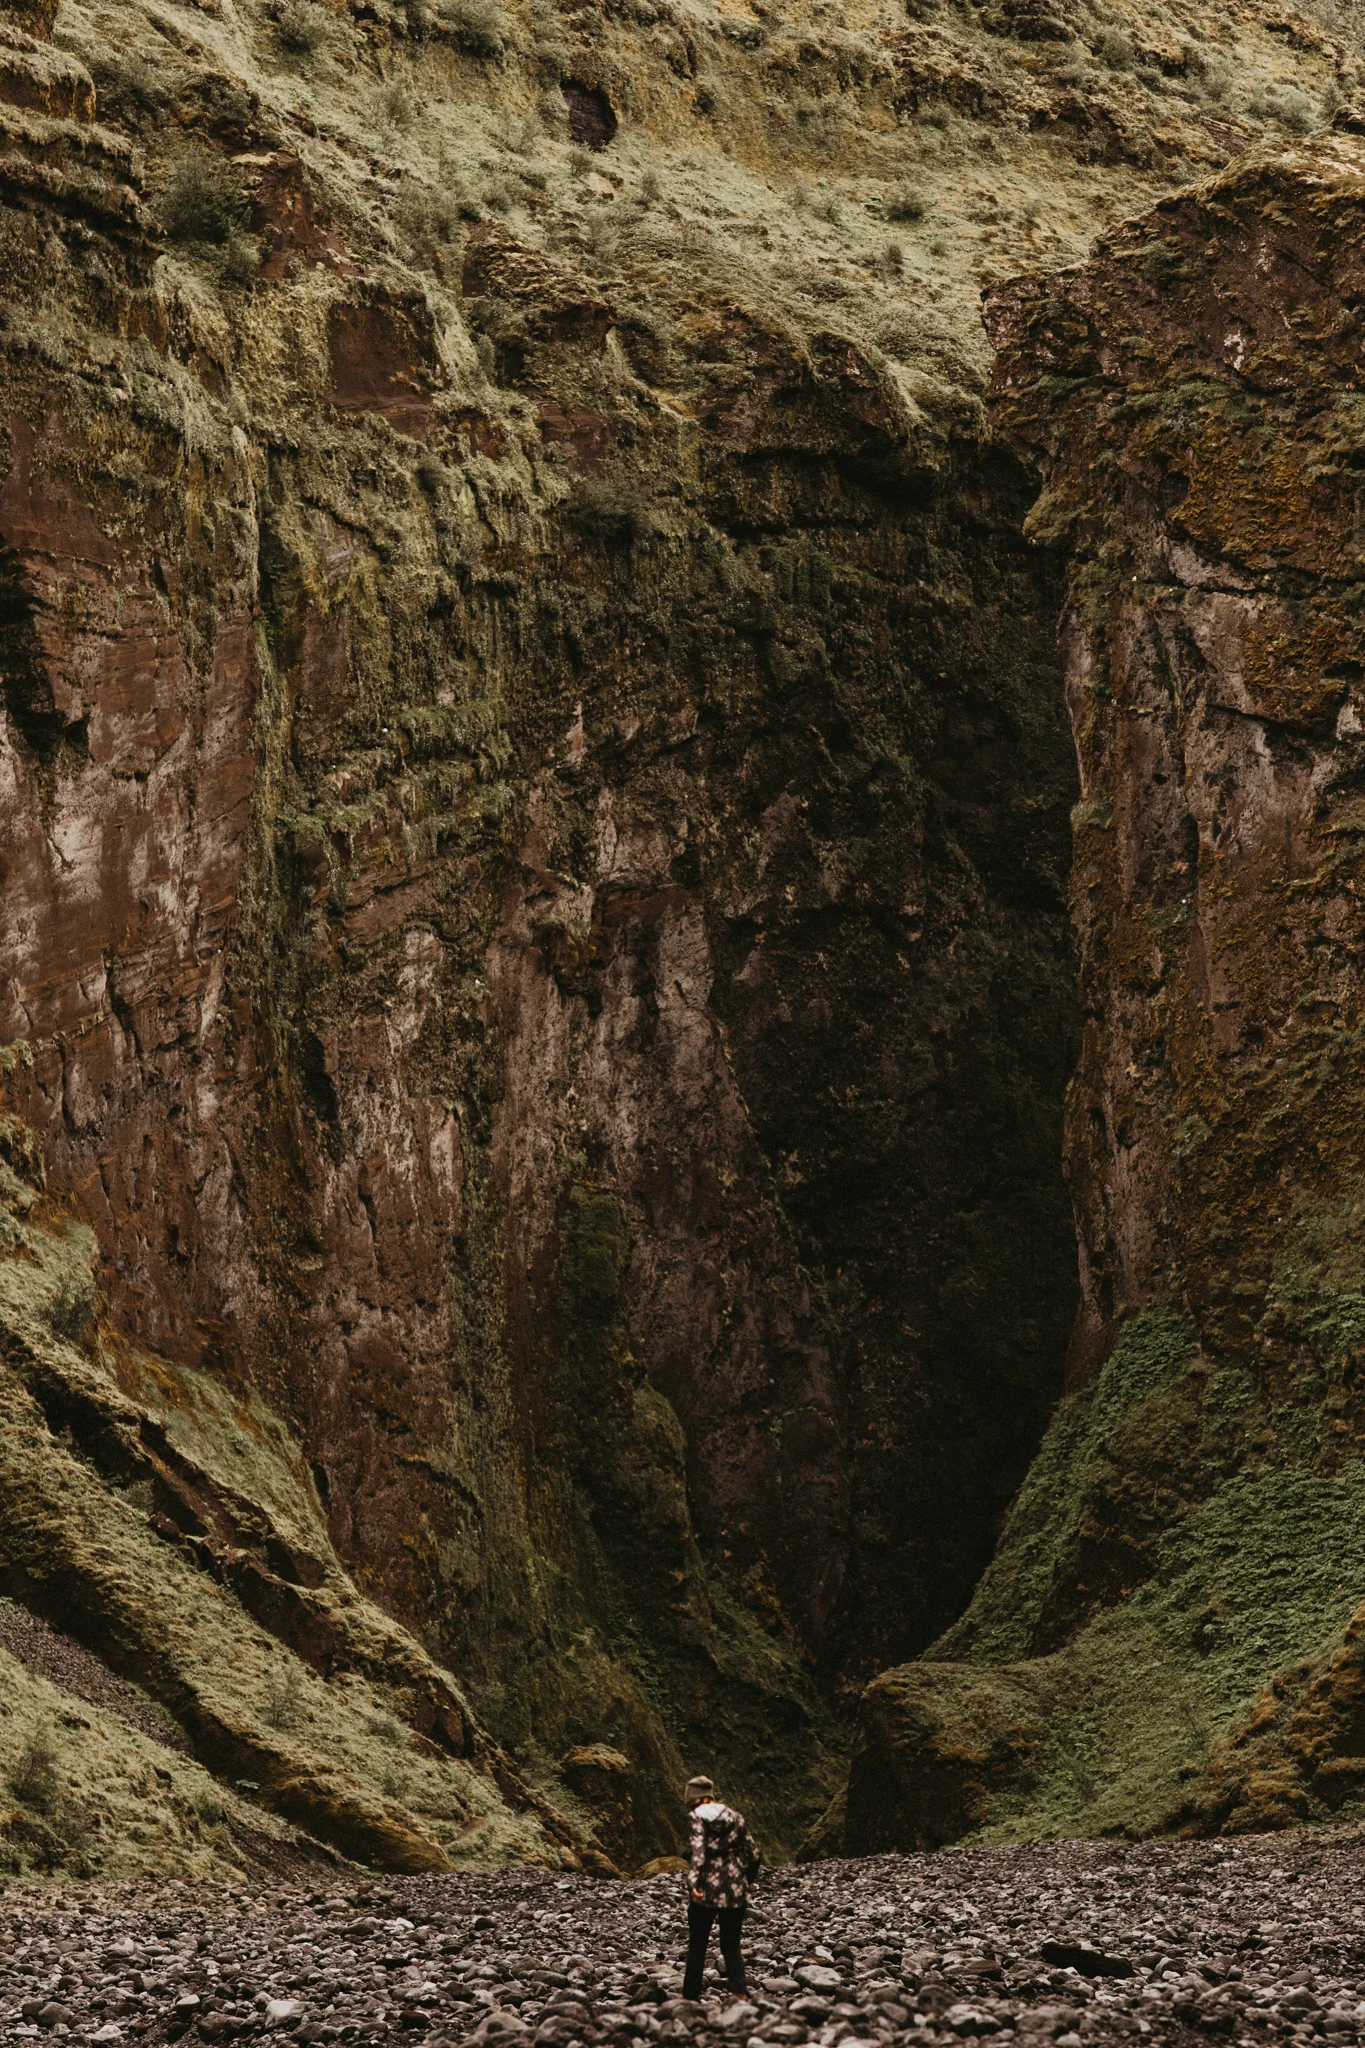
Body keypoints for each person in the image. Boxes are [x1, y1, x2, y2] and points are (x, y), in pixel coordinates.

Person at [680, 1774, 762, 2002]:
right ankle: (739, 1991)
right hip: (735, 1886)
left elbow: (699, 1854)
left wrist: (693, 1884)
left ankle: (690, 1994)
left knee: (698, 1943)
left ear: (694, 1799)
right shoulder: (735, 1817)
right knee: (731, 1943)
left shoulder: (696, 1817)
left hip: (706, 1887)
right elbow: (754, 1854)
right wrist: (745, 1880)